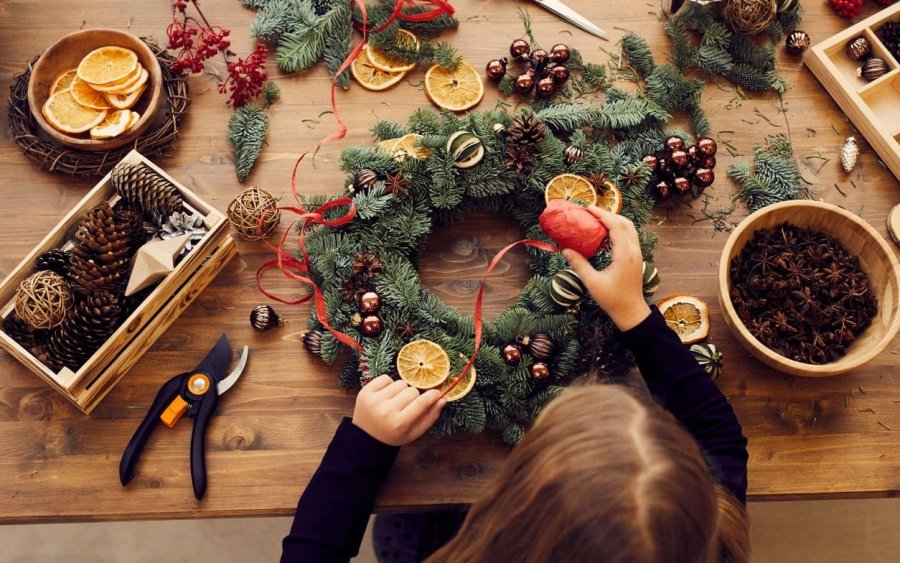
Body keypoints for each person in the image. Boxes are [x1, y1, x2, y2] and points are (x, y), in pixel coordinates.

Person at [281, 207, 750, 563]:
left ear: (517, 512)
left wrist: (362, 448)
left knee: (403, 533)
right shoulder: (709, 531)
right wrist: (633, 312)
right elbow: (720, 437)